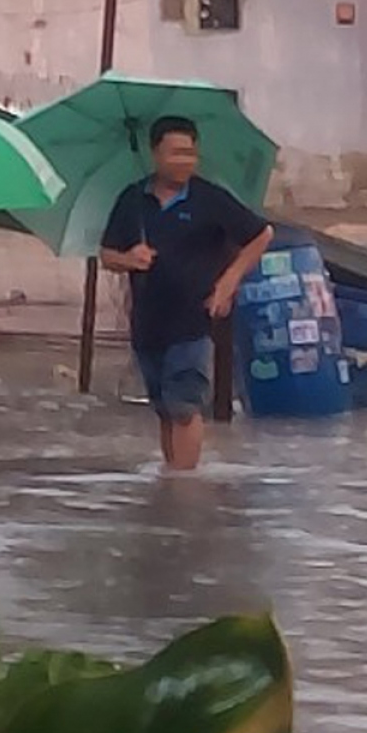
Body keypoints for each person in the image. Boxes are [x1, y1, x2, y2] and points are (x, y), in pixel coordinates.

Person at [100, 115, 273, 471]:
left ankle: (185, 488)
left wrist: (229, 283)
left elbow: (261, 235)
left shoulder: (210, 199)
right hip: (148, 322)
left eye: (190, 154)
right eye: (176, 153)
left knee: (184, 408)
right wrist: (129, 258)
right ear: (155, 153)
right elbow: (106, 255)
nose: (184, 162)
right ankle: (172, 480)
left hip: (193, 320)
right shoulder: (132, 200)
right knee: (164, 407)